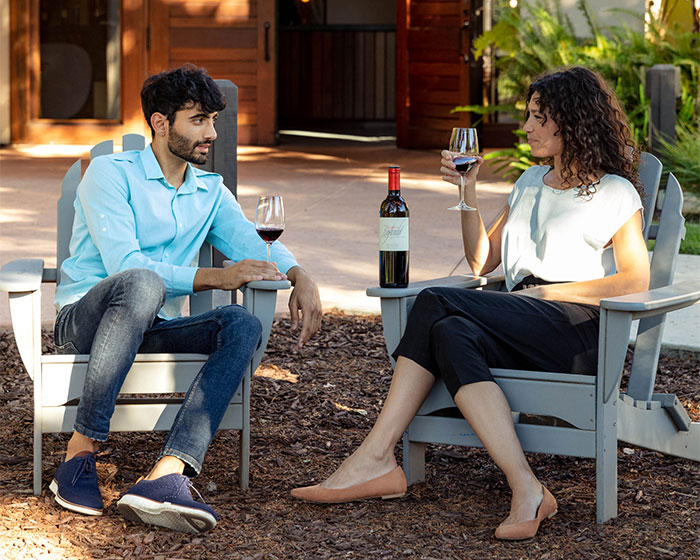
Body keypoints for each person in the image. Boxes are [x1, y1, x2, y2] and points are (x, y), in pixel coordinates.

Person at [290, 66, 650, 541]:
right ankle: (526, 487)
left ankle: (375, 456)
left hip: (577, 329)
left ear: (573, 119)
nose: (526, 127)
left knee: (436, 300)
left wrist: (550, 293)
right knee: (448, 330)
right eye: (528, 116)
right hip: (522, 317)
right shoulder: (528, 183)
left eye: (539, 118)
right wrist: (467, 191)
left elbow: (634, 278)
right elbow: (482, 260)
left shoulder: (615, 192)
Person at [50, 65, 322, 533]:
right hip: (85, 320)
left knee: (241, 323)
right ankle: (79, 455)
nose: (211, 133)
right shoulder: (110, 175)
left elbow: (252, 242)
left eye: (213, 120)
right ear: (160, 123)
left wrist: (300, 274)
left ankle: (165, 475)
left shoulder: (208, 191)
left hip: (151, 325)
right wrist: (217, 276)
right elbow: (124, 265)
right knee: (141, 283)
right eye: (198, 120)